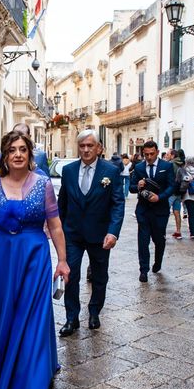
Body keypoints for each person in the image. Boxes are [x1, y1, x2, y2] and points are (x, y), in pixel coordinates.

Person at [0, 131, 70, 389]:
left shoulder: (44, 185)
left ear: (30, 153)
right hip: (1, 258)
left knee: (33, 313)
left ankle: (30, 384)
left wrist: (62, 260)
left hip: (34, 256)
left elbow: (56, 225)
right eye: (12, 149)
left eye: (23, 149)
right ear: (4, 154)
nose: (18, 154)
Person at [57, 130, 124, 336]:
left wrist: (113, 232)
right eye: (82, 146)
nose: (86, 150)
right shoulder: (68, 170)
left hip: (100, 235)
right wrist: (58, 231)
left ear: (99, 148)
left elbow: (117, 204)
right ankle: (71, 318)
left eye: (90, 146)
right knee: (70, 276)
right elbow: (63, 203)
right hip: (73, 235)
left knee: (99, 277)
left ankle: (94, 312)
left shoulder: (110, 172)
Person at [129, 140, 176, 283]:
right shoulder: (138, 168)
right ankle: (143, 270)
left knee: (159, 239)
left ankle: (158, 262)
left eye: (152, 154)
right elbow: (130, 188)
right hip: (143, 210)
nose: (149, 157)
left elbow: (171, 186)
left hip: (160, 210)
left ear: (156, 152)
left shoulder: (166, 166)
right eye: (146, 154)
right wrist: (138, 185)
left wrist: (159, 197)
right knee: (143, 241)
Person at [167, 148, 186, 240]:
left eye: (168, 154)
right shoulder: (182, 163)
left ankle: (162, 232)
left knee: (165, 212)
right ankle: (178, 231)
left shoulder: (171, 164)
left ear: (172, 155)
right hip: (179, 191)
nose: (166, 156)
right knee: (177, 212)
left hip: (171, 192)